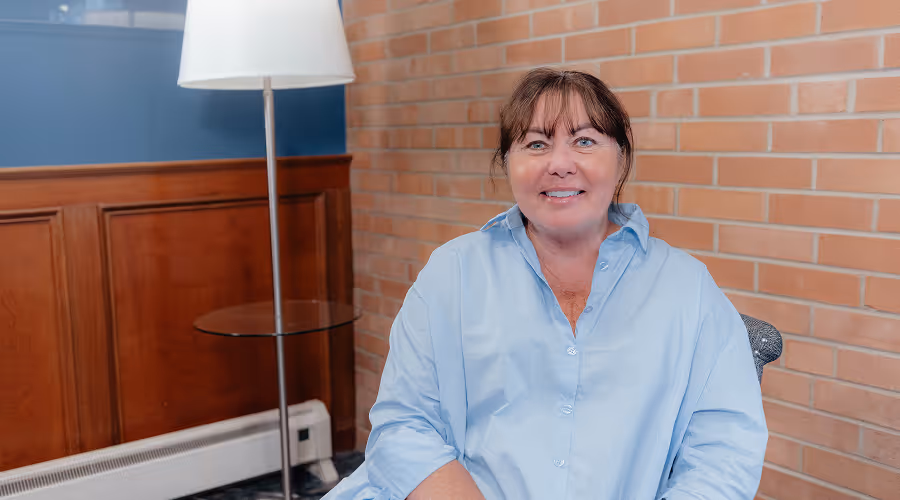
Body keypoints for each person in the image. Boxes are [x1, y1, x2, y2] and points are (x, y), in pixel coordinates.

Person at [325, 67, 767, 500]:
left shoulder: (686, 287)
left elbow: (723, 450)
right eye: (536, 143)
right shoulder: (453, 273)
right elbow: (404, 425)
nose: (559, 164)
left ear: (621, 158)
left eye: (584, 140)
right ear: (508, 163)